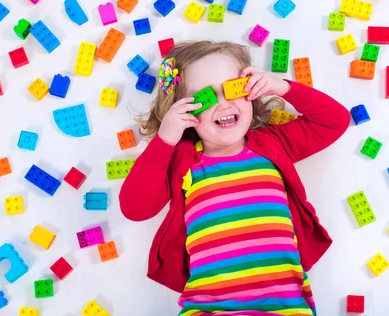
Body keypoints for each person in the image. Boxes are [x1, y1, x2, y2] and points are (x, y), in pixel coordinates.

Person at [119, 41, 350, 315]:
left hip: (285, 306)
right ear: (183, 111)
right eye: (204, 97)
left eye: (233, 89)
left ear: (252, 91)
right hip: (207, 308)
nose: (224, 103)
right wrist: (165, 139)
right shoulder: (183, 160)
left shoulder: (274, 144)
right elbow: (135, 209)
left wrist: (283, 87)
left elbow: (335, 121)